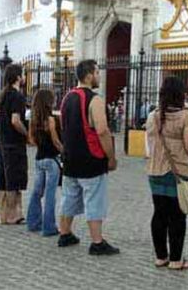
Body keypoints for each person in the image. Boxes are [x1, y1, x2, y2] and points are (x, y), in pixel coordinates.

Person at [145, 76, 188, 271]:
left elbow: (149, 144)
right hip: (178, 172)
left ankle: (160, 256)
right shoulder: (185, 117)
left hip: (155, 170)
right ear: (181, 94)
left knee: (159, 213)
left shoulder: (152, 116)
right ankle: (175, 260)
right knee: (177, 216)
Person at [58, 60, 119, 255]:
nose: (99, 76)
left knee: (69, 197)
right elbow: (102, 130)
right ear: (89, 75)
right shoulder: (95, 100)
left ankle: (65, 233)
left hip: (70, 157)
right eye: (97, 72)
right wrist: (111, 157)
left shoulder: (67, 98)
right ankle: (97, 241)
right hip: (90, 158)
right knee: (94, 200)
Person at [26, 89, 63, 237]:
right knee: (50, 194)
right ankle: (49, 226)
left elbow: (31, 140)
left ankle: (33, 222)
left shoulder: (34, 119)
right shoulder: (51, 119)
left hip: (39, 158)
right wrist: (64, 150)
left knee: (37, 192)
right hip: (51, 159)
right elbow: (55, 140)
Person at [0, 64, 29, 225]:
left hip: (2, 140)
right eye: (22, 74)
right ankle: (12, 214)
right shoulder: (17, 96)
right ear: (17, 77)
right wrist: (27, 134)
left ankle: (2, 214)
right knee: (14, 180)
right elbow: (15, 120)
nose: (24, 77)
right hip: (14, 142)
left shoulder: (3, 95)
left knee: (3, 178)